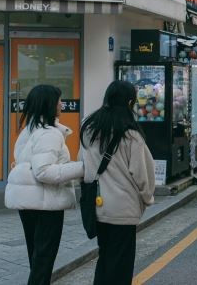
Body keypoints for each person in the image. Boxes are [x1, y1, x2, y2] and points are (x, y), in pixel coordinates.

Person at [5, 85, 85, 285]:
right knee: (43, 260)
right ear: (48, 104)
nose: (61, 104)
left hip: (27, 201)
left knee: (36, 256)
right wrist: (82, 168)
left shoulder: (29, 130)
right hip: (46, 202)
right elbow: (43, 172)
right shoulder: (50, 133)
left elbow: (23, 162)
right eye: (58, 100)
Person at [80, 80, 155, 285]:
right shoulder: (131, 135)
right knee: (121, 265)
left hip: (98, 205)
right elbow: (142, 174)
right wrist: (147, 198)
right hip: (123, 208)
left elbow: (84, 165)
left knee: (104, 258)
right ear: (130, 102)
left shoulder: (89, 129)